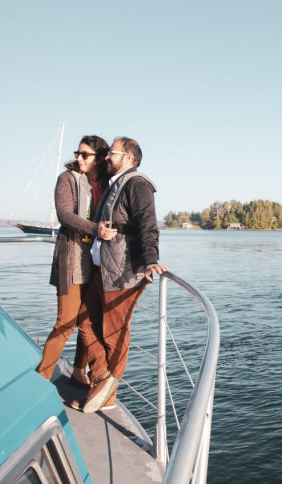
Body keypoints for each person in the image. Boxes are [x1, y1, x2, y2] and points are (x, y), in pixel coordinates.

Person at [73, 136, 167, 413]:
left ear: (129, 158)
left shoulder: (137, 184)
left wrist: (151, 261)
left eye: (111, 153)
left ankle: (108, 395)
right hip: (105, 269)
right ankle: (102, 381)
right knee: (85, 322)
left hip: (124, 271)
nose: (106, 157)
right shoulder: (116, 184)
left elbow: (148, 225)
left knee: (114, 334)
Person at [36, 135, 110, 387]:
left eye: (85, 155)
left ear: (99, 158)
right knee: (66, 322)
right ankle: (42, 378)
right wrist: (94, 228)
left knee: (87, 321)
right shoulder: (67, 179)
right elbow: (65, 215)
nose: (79, 158)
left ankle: (79, 371)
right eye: (78, 153)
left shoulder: (106, 183)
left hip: (96, 261)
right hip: (71, 259)